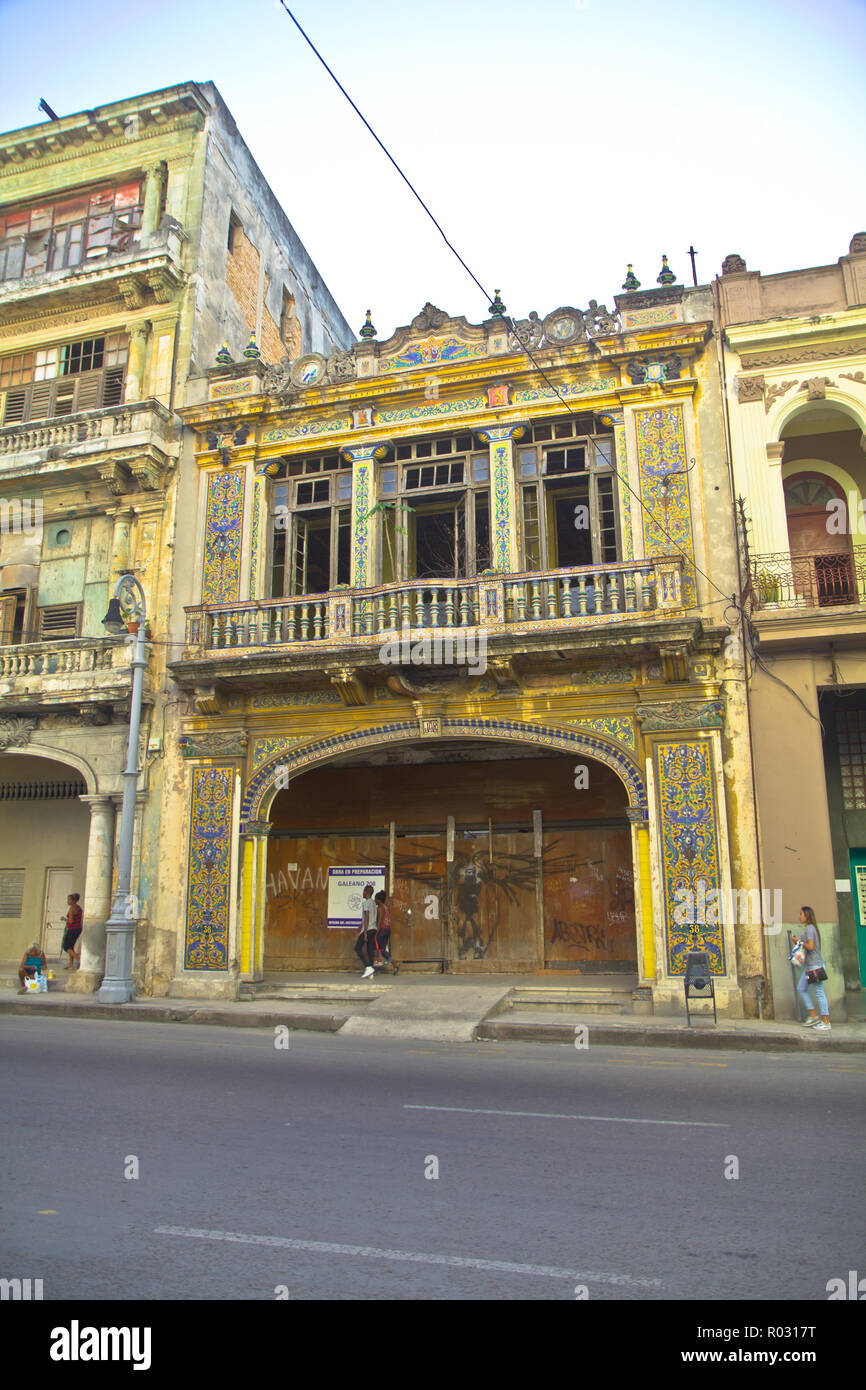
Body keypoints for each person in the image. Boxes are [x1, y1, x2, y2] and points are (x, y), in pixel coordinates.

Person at [794, 906, 831, 1032]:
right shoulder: (810, 929)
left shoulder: (810, 929)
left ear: (807, 916)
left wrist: (799, 941)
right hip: (810, 966)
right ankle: (814, 1015)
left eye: (801, 914)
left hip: (815, 966)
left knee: (819, 992)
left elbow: (810, 946)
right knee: (801, 988)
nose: (799, 916)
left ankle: (826, 1022)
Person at [354, 884, 378, 979]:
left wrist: (364, 932)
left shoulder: (366, 903)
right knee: (370, 950)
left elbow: (367, 916)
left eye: (364, 891)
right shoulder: (373, 903)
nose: (363, 893)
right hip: (373, 928)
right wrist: (360, 926)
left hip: (368, 929)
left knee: (357, 948)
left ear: (366, 892)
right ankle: (371, 971)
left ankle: (368, 966)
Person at [374, 889, 398, 975]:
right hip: (387, 930)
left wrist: (376, 933)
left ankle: (375, 969)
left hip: (382, 930)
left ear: (379, 900)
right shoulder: (386, 906)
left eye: (376, 899)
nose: (375, 901)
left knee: (376, 949)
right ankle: (395, 964)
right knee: (383, 950)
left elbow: (380, 921)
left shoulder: (380, 908)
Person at [61, 892, 83, 970]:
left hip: (72, 929)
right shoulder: (79, 908)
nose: (68, 901)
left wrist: (64, 919)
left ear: (73, 900)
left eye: (69, 900)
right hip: (78, 929)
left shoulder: (72, 908)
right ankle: (70, 965)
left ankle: (80, 960)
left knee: (66, 947)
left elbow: (70, 921)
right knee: (71, 946)